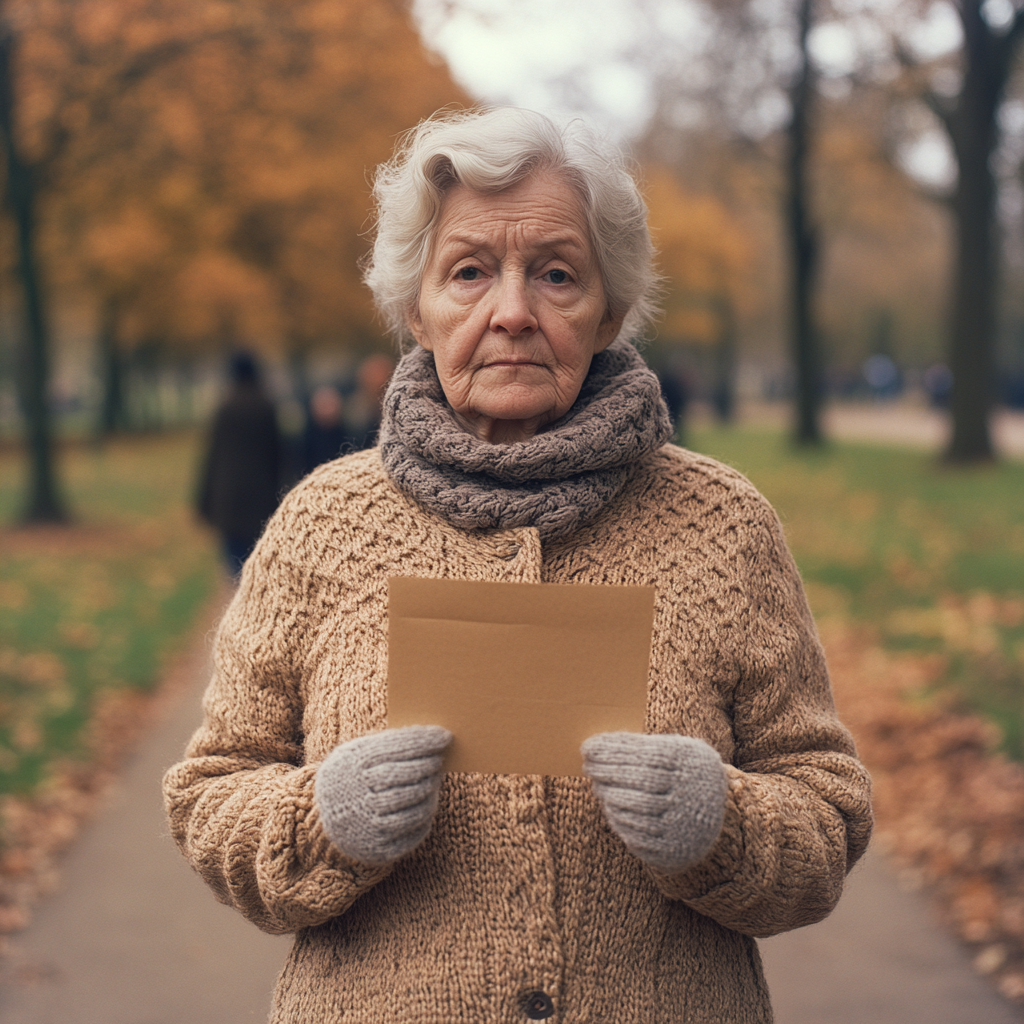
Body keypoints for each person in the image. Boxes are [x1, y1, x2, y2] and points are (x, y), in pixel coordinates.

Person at [166, 109, 871, 1023]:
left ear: (609, 309)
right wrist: (320, 817)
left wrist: (720, 822)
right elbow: (211, 793)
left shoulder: (722, 524)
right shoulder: (322, 524)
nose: (511, 311)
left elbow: (827, 811)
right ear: (415, 308)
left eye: (556, 274)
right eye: (468, 272)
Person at [196, 350, 282, 578]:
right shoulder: (266, 408)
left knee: (234, 565)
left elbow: (213, 458)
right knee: (257, 563)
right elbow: (278, 455)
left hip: (229, 498)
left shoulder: (225, 409)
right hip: (261, 497)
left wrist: (203, 502)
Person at [302, 384, 351, 473]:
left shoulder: (348, 438)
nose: (327, 409)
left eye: (330, 404)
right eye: (323, 404)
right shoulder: (304, 441)